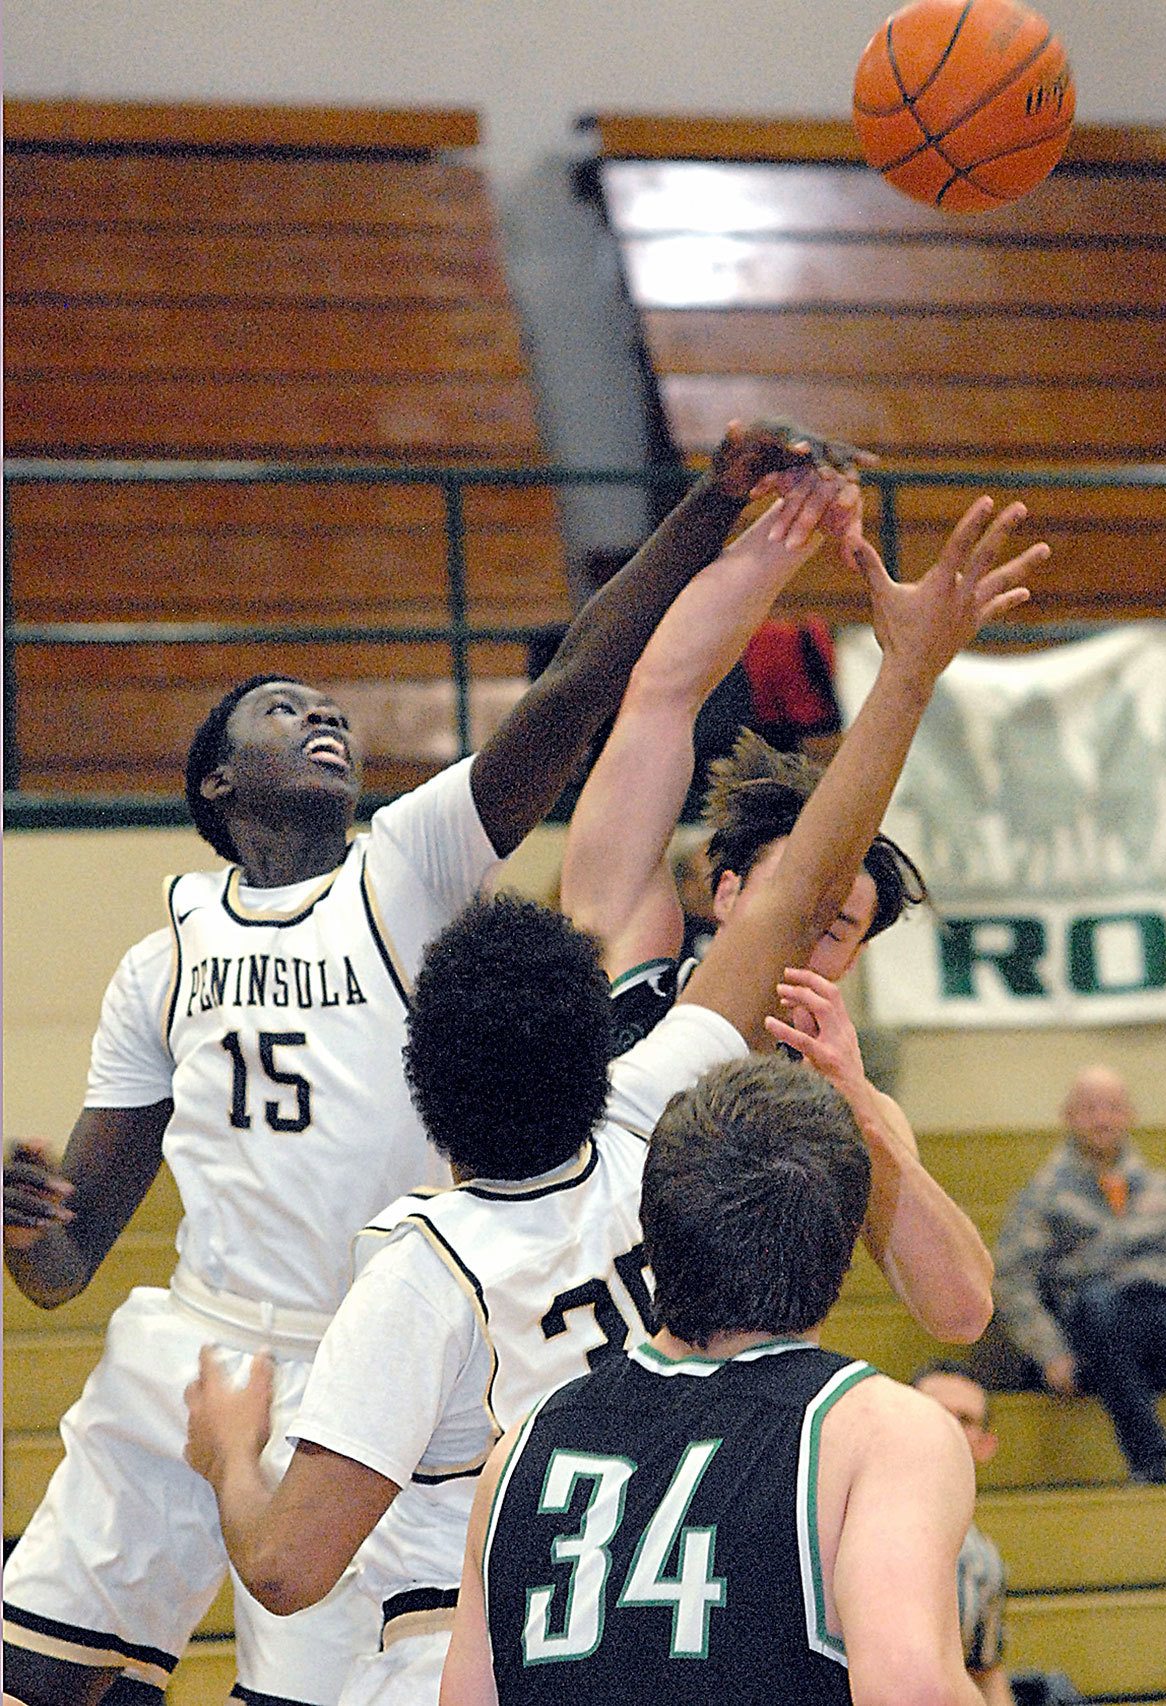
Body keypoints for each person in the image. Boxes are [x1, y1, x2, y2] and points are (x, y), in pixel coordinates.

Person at [1, 418, 839, 1706]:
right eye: (284, 709)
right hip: (198, 1345)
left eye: (329, 704)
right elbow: (64, 1270)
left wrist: (698, 510)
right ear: (218, 782)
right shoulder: (155, 961)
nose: (321, 713)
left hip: (372, 1361)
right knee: (38, 1676)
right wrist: (23, 1227)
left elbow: (567, 695)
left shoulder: (404, 867)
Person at [182, 491, 1045, 1705]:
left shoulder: (433, 1259)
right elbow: (757, 832)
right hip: (686, 1568)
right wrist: (903, 669)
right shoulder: (652, 1084)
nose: (820, 935)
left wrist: (227, 1451)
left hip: (481, 1617)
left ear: (428, 1078)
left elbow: (283, 1563)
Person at [561, 483, 993, 1346]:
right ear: (723, 896)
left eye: (838, 929)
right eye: (792, 896)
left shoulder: (848, 1098)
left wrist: (859, 1105)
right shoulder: (635, 977)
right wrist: (777, 541)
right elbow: (658, 701)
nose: (804, 924)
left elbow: (961, 1313)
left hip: (734, 1434)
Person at [440, 1054, 984, 1706]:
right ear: (846, 1242)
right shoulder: (878, 1430)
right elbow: (912, 1690)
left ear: (651, 1224)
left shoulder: (520, 1449)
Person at [992, 1063, 1166, 1484]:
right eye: (1089, 1108)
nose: (1102, 1118)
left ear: (1130, 1115)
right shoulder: (1041, 1198)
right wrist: (1051, 1351)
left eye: (1112, 1107)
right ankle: (1150, 1461)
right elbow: (1013, 1280)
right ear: (1068, 1117)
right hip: (1100, 1337)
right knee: (1095, 1301)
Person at [913, 1362, 1017, 1706]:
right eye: (932, 1412)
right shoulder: (841, 1523)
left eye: (964, 1420)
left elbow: (985, 1672)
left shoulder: (983, 1561)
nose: (947, 1428)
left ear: (986, 1446)